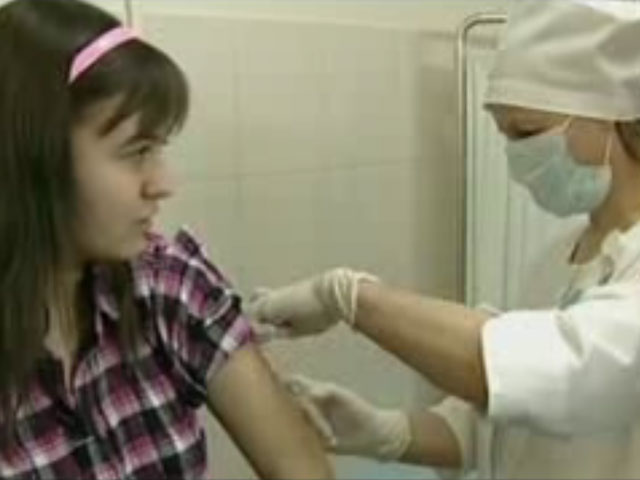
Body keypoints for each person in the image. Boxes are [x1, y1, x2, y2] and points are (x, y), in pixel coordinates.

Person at [248, 1, 640, 478]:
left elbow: (556, 369)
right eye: (505, 134)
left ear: (616, 116)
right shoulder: (560, 257)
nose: (516, 156)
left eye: (527, 131)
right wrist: (384, 431)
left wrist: (348, 296)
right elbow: (504, 415)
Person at [0, 1, 333, 478]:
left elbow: (300, 469)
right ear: (36, 159)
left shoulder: (167, 286)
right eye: (137, 152)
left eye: (157, 149)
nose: (163, 183)